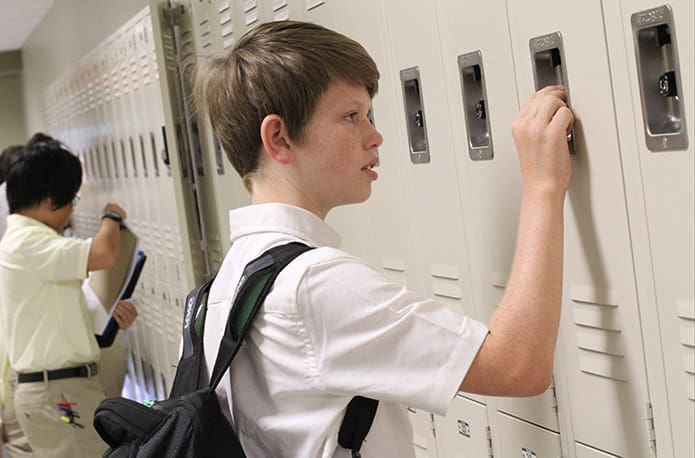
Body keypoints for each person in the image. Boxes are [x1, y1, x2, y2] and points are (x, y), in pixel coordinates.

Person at [193, 20, 573, 457]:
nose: (374, 136)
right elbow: (518, 365)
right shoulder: (314, 285)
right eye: (350, 116)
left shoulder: (232, 278)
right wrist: (544, 186)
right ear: (279, 138)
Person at [0, 140, 131, 457]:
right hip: (57, 394)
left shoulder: (28, 241)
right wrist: (112, 216)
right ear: (49, 200)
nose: (73, 211)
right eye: (71, 200)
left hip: (58, 390)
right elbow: (104, 253)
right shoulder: (27, 242)